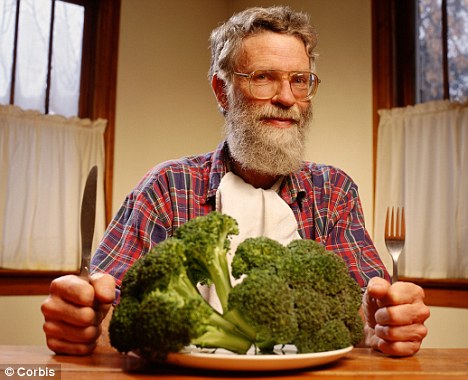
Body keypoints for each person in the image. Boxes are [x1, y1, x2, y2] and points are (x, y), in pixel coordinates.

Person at [41, 6, 429, 357]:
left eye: (300, 80)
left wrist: (389, 320)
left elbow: (367, 306)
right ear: (221, 91)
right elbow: (110, 307)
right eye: (263, 78)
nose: (286, 97)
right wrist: (81, 319)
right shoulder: (167, 187)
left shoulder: (334, 191)